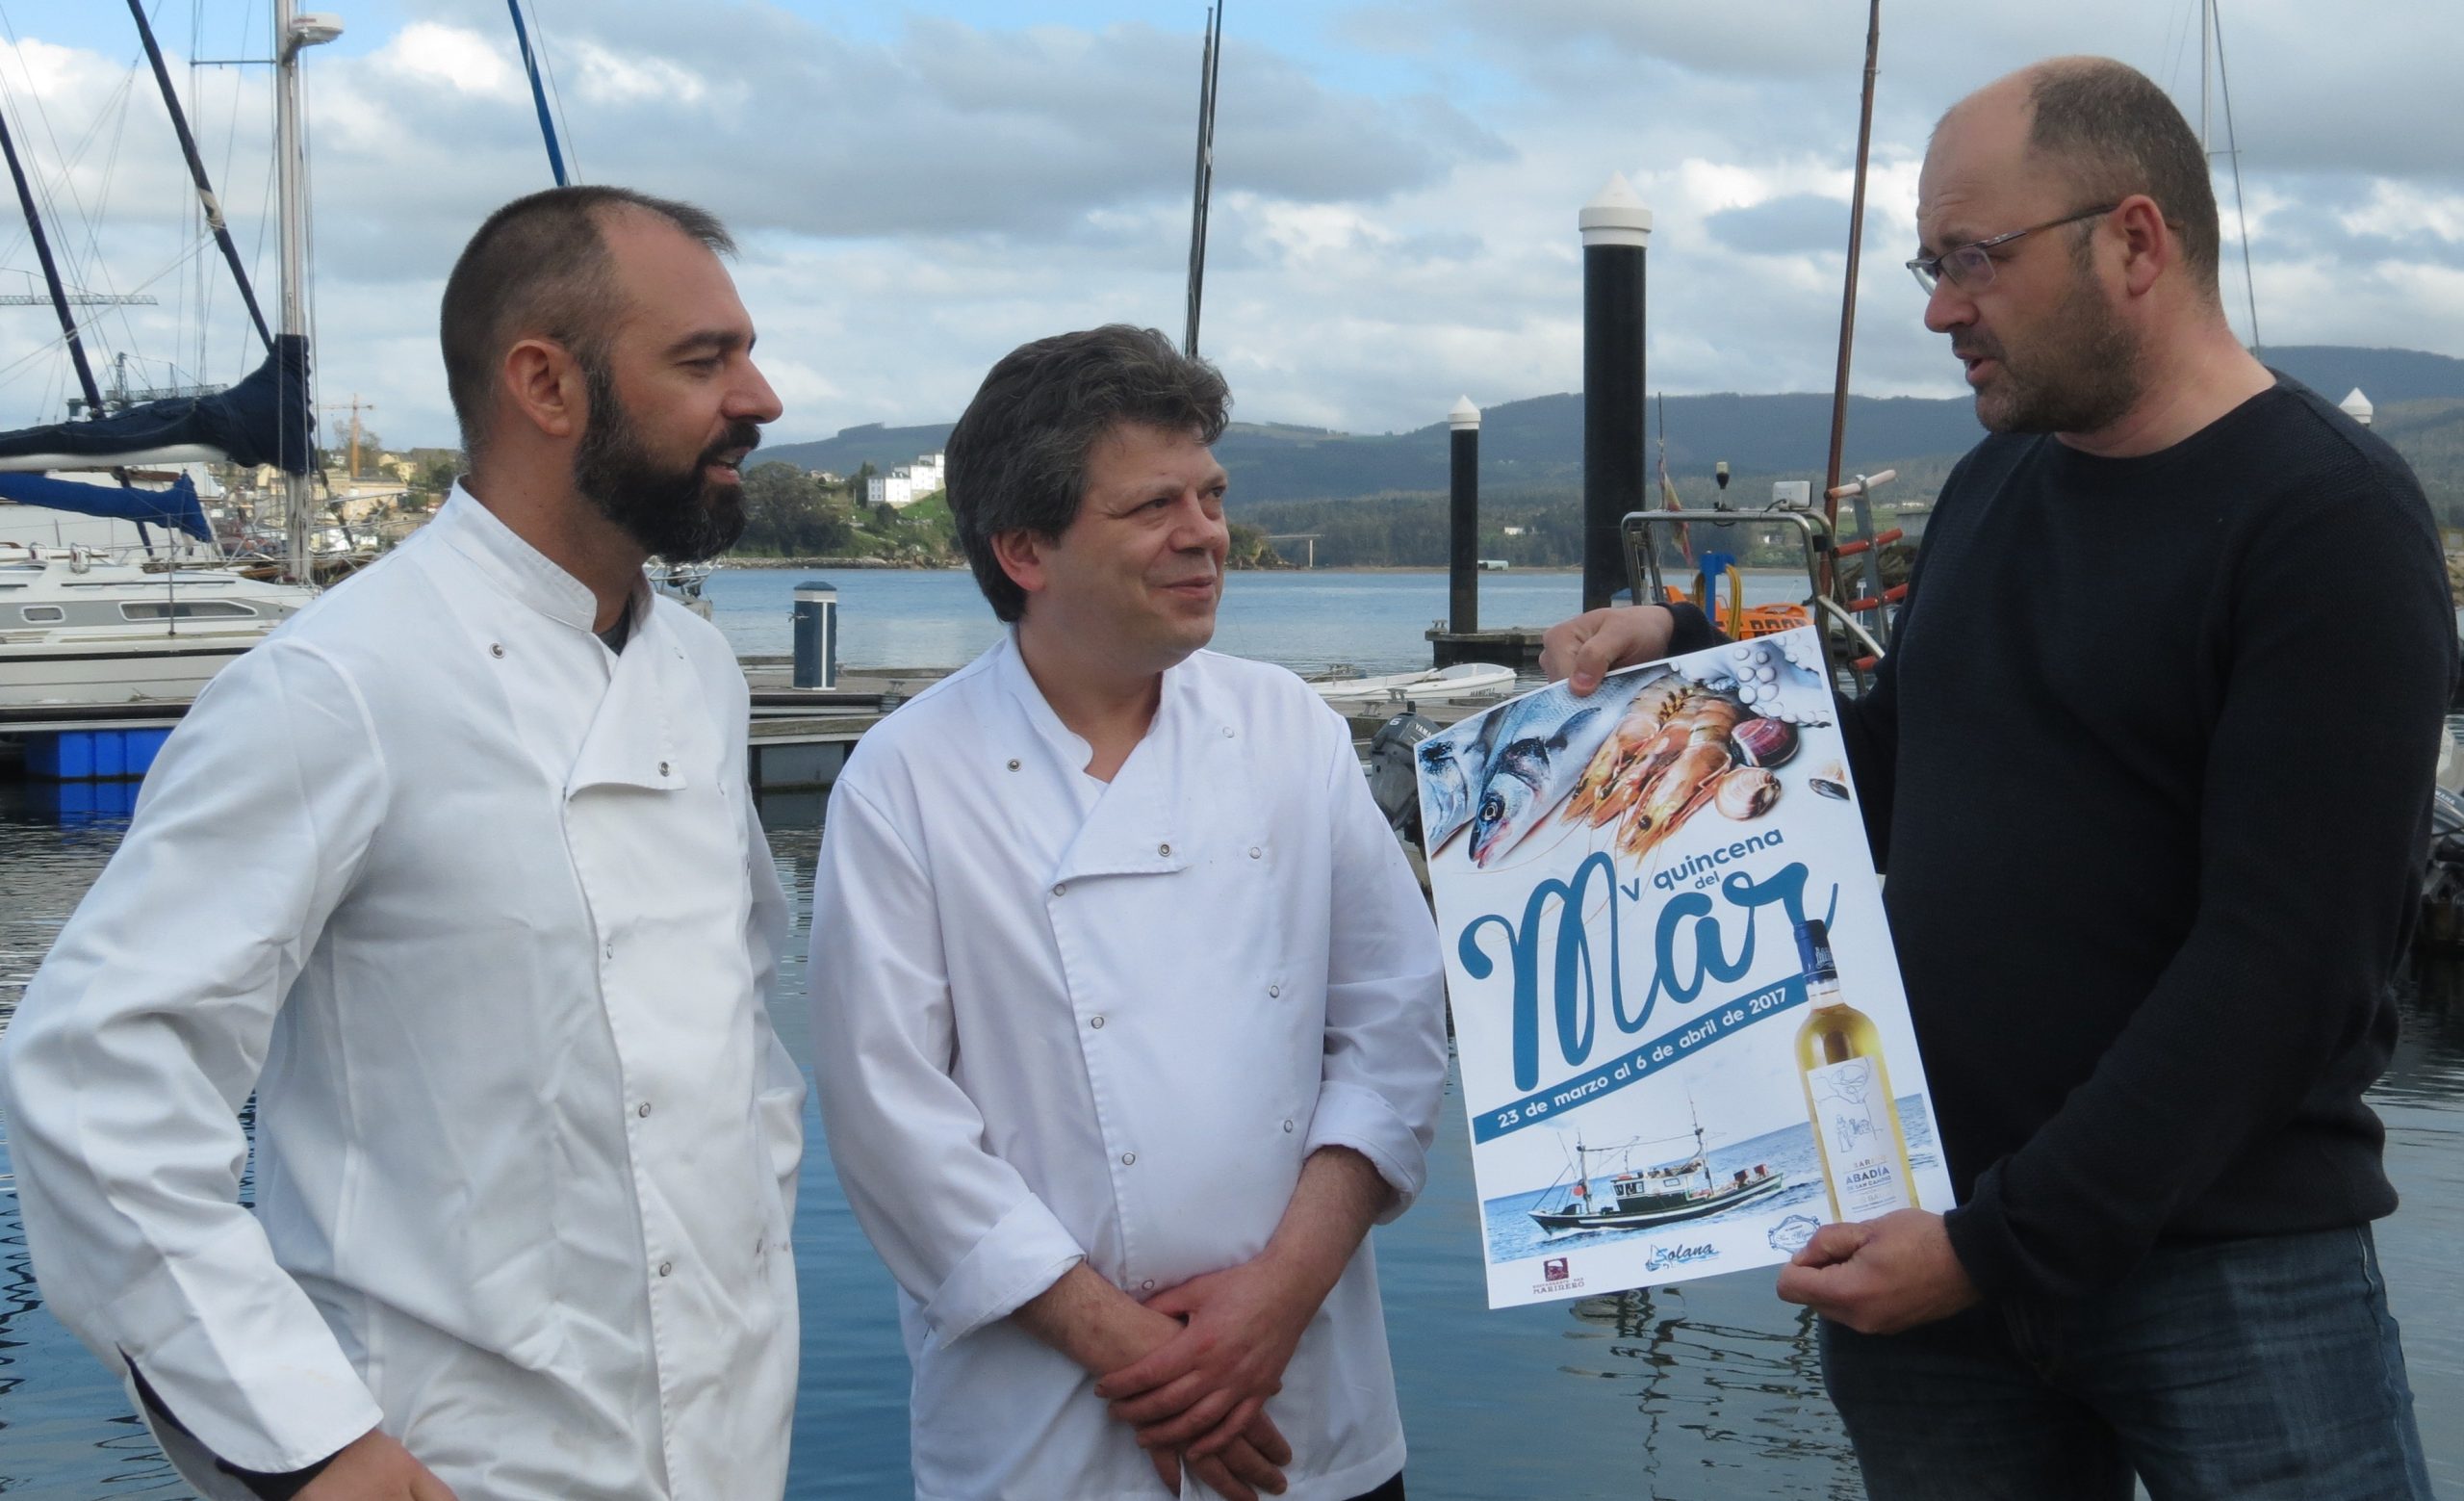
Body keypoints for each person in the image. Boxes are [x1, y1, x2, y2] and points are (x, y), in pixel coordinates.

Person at [1542, 58, 2447, 1500]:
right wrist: (1694, 665)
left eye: (1974, 259)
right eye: (1930, 260)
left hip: (2226, 1274)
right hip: (1928, 1249)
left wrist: (1996, 1246)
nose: (1939, 306)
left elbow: (2286, 969)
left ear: (2135, 243)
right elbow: (1894, 768)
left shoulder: (2327, 523)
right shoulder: (1997, 484)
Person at [0, 186, 805, 1501]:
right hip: (450, 1464)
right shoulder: (337, 686)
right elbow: (96, 1081)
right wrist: (309, 1438)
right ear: (546, 384)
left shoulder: (699, 672)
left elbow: (740, 1036)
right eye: (706, 359)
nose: (760, 398)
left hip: (722, 1447)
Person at [807, 324, 1447, 1501]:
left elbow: (1396, 1023)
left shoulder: (1288, 729)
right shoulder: (908, 778)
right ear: (1024, 548)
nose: (1205, 532)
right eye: (1153, 505)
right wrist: (1143, 1354)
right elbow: (891, 1122)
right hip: (1048, 1434)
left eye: (1210, 494)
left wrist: (1277, 1298)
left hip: (1304, 1412)